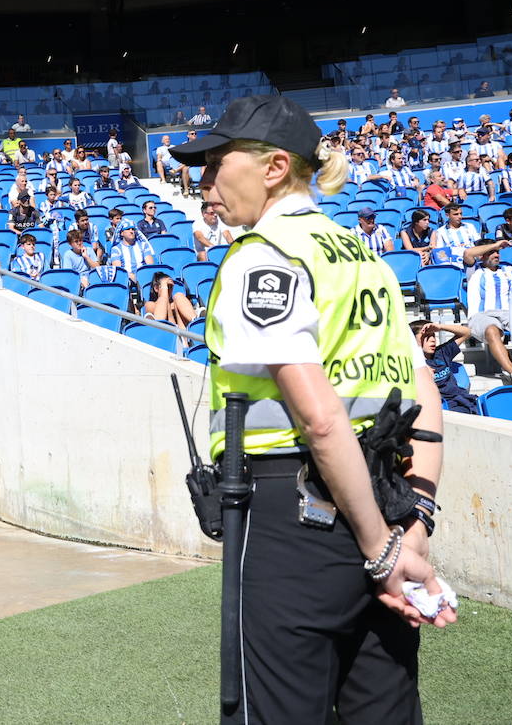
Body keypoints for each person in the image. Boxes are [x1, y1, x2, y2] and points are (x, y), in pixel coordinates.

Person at [167, 94, 453, 724]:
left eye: (216, 163)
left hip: (290, 524)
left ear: (273, 168)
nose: (203, 181)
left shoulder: (261, 257)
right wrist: (413, 527)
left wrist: (380, 551)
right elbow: (426, 392)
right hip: (386, 503)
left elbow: (321, 420)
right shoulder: (366, 259)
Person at [463, 244, 512, 386]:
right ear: (482, 255)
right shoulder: (474, 270)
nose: (497, 255)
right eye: (492, 252)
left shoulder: (508, 271)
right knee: (491, 330)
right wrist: (497, 244)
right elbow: (468, 253)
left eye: (497, 252)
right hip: (481, 315)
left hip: (507, 313)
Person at [411, 321, 479, 414]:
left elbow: (467, 332)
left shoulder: (442, 352)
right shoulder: (413, 363)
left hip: (461, 400)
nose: (432, 340)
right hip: (441, 407)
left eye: (433, 336)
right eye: (426, 336)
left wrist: (440, 327)